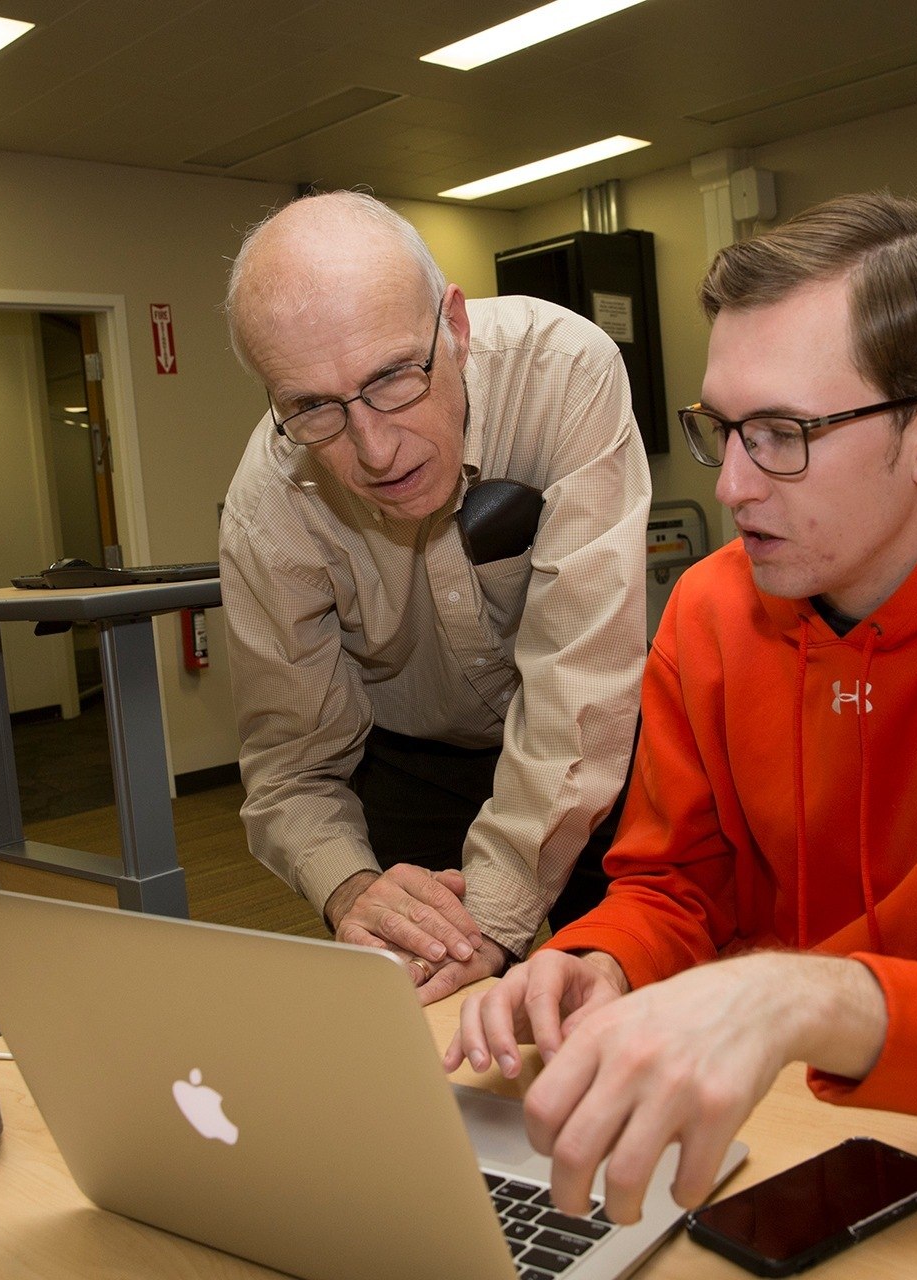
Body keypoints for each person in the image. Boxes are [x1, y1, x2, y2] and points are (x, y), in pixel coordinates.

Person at [446, 191, 917, 1224]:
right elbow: (675, 887)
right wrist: (596, 960)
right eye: (722, 429)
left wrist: (812, 995)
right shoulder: (712, 611)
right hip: (758, 1134)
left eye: (781, 433)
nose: (732, 484)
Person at [219, 191, 650, 1004]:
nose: (375, 450)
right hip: (414, 768)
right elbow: (292, 768)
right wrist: (351, 889)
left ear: (455, 325)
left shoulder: (564, 372)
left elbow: (578, 687)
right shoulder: (268, 505)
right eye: (312, 407)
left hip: (599, 739)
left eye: (392, 379)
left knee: (625, 1010)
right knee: (432, 1035)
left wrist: (487, 917)